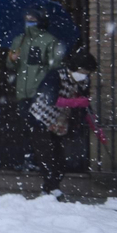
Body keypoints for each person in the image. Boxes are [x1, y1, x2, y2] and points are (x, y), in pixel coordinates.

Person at [7, 9, 67, 185]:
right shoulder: (19, 40)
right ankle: (28, 158)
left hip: (39, 92)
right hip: (22, 91)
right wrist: (12, 58)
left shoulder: (49, 41)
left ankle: (45, 164)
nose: (29, 21)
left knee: (40, 129)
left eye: (32, 19)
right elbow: (11, 65)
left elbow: (56, 66)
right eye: (27, 18)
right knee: (26, 127)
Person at [27, 49, 97, 194]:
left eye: (88, 73)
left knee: (59, 161)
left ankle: (51, 190)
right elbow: (50, 99)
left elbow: (85, 105)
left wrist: (96, 127)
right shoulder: (55, 75)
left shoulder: (81, 82)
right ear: (75, 67)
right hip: (41, 120)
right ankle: (51, 190)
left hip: (58, 124)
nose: (86, 76)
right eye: (84, 71)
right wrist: (76, 102)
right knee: (47, 158)